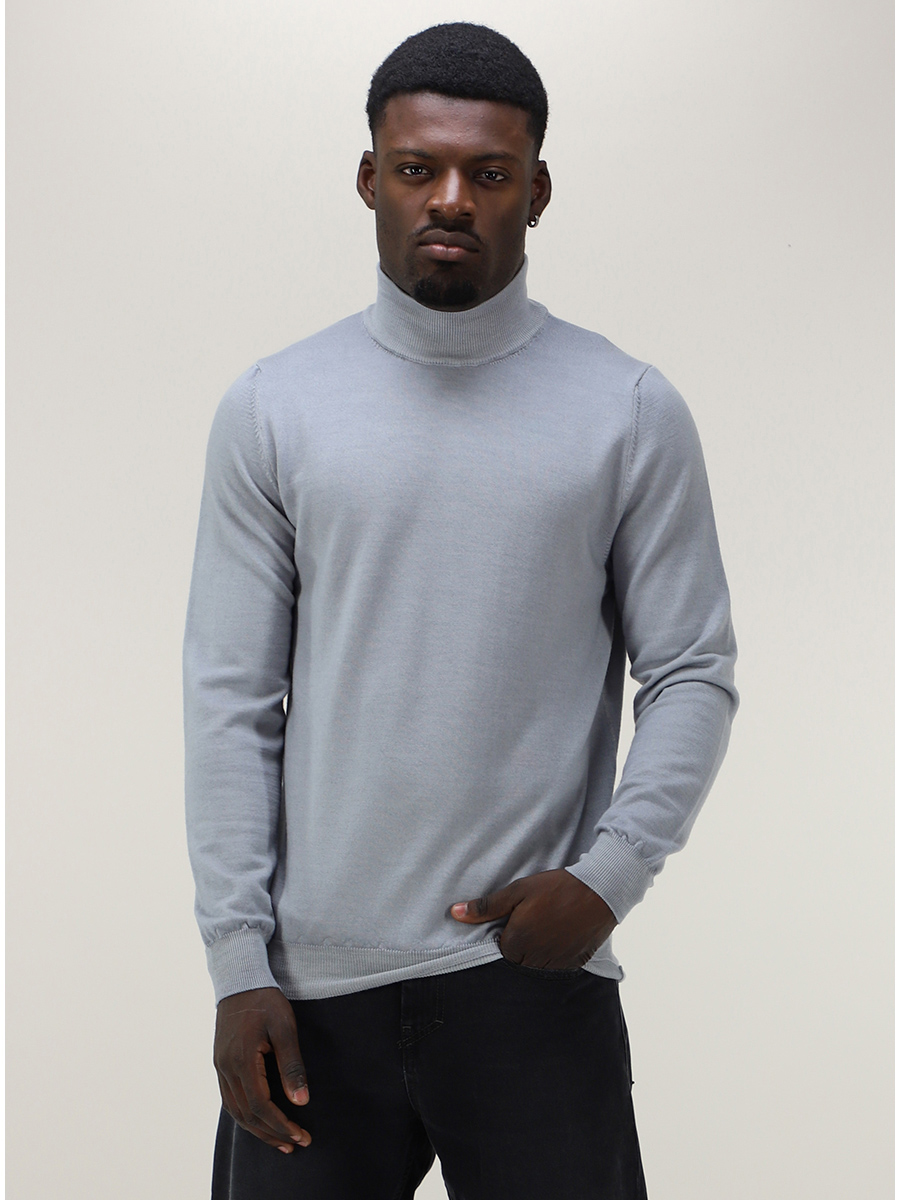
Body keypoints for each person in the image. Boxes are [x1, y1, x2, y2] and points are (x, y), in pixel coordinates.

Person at [183, 21, 738, 1200]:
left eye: (488, 173)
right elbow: (231, 699)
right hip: (308, 1004)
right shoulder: (275, 408)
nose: (450, 199)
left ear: (535, 192)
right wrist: (238, 965)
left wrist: (609, 877)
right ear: (368, 178)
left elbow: (692, 668)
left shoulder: (626, 409)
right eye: (416, 167)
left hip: (528, 983)